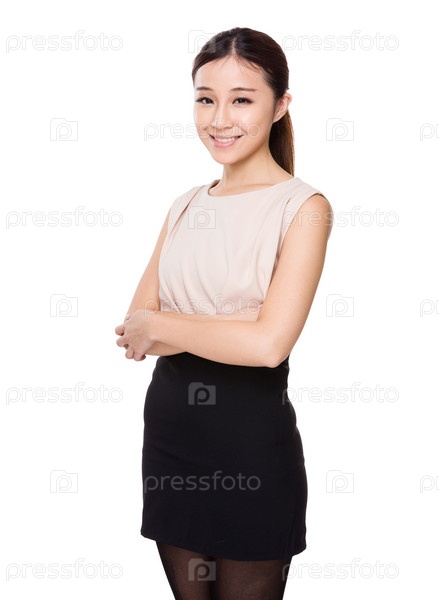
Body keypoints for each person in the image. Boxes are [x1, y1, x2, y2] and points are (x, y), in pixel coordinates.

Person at [115, 26, 333, 600]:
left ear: (280, 106)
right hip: (171, 442)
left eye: (241, 99)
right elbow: (135, 331)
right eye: (205, 99)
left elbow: (268, 347)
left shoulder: (303, 207)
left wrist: (167, 325)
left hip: (251, 450)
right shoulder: (185, 205)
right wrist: (238, 324)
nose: (219, 119)